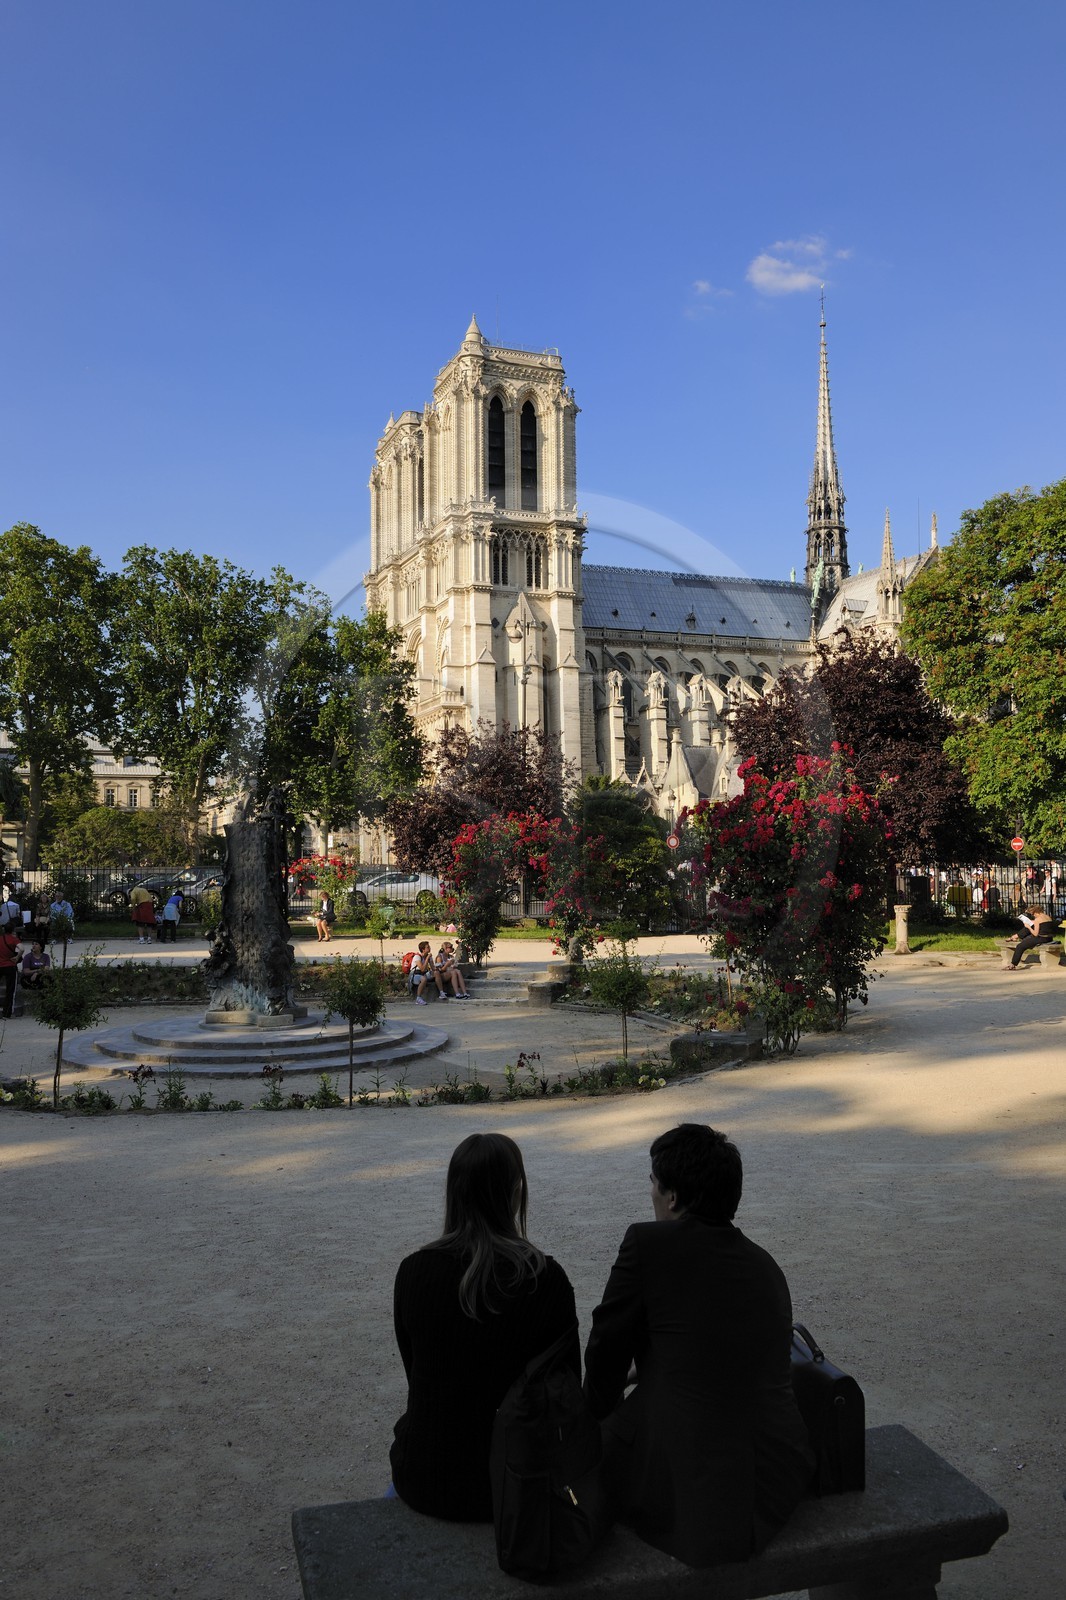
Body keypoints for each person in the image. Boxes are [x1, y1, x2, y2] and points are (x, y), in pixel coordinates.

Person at [583, 1123, 813, 1569]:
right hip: (773, 1478)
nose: (649, 1192)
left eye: (653, 1182)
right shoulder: (764, 1266)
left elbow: (605, 1350)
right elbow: (713, 1353)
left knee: (597, 1440)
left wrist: (594, 1412)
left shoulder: (648, 1245)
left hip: (694, 1498)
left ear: (672, 1197)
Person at [390, 1132, 579, 1520]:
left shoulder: (414, 1271)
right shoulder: (545, 1280)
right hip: (514, 1481)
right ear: (515, 1194)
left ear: (453, 1194)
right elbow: (566, 1387)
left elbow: (418, 1373)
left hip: (425, 1477)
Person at [1003, 902, 1055, 969]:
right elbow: (1044, 926)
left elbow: (1035, 934)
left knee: (1020, 946)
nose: (1033, 915)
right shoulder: (1047, 917)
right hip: (1049, 938)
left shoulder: (1037, 919)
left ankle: (1013, 964)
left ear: (1036, 912)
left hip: (1041, 938)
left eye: (1033, 914)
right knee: (1029, 929)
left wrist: (1029, 927)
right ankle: (1016, 936)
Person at [409, 940, 447, 1004]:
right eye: (427, 947)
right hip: (415, 975)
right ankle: (418, 998)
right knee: (423, 979)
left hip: (423, 974)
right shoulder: (417, 957)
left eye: (429, 946)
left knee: (436, 973)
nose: (429, 948)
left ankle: (441, 992)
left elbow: (433, 968)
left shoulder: (429, 956)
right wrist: (427, 959)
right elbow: (422, 969)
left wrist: (439, 967)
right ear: (423, 949)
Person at [1, 923, 22, 1017]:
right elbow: (21, 948)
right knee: (10, 990)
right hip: (10, 965)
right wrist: (17, 957)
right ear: (13, 930)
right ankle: (6, 1012)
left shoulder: (1, 938)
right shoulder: (13, 939)